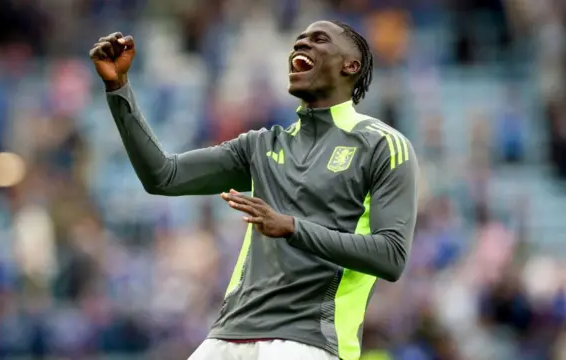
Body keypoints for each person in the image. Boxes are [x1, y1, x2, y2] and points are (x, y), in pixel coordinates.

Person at [90, 20, 418, 360]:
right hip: (227, 335)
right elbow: (163, 175)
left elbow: (391, 256)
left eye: (318, 40)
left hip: (307, 341)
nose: (301, 46)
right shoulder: (262, 145)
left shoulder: (382, 145)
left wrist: (292, 228)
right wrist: (118, 89)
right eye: (298, 41)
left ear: (352, 65)